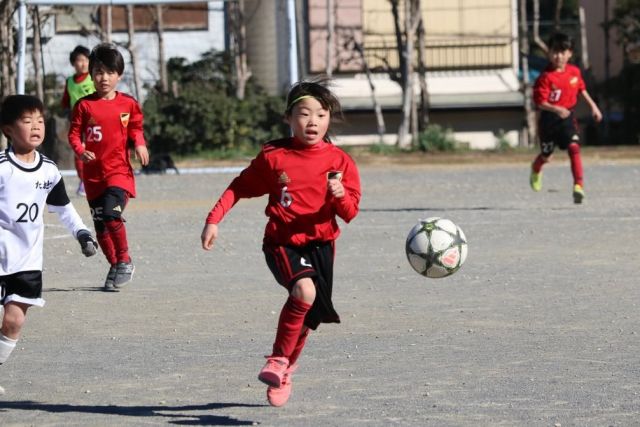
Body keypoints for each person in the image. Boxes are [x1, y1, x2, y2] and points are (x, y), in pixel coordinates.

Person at [200, 79, 361, 407]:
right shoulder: (275, 157)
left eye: (320, 114)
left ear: (329, 119)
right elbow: (239, 187)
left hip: (322, 245)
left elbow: (350, 213)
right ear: (289, 118)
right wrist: (214, 219)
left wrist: (341, 196)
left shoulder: (340, 161)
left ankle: (286, 368)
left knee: (309, 317)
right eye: (304, 114)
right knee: (304, 292)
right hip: (282, 242)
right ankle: (277, 359)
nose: (312, 121)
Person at [0, 95, 98, 394]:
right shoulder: (2, 167)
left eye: (40, 121)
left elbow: (64, 208)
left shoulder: (49, 170)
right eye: (26, 121)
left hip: (27, 261)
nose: (35, 127)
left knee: (14, 322)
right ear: (7, 129)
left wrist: (82, 233)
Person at [68, 43, 149, 291]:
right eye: (99, 72)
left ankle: (125, 260)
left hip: (119, 173)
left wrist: (140, 144)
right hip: (93, 177)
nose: (104, 78)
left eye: (110, 72)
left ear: (119, 75)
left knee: (112, 214)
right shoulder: (83, 106)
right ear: (91, 74)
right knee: (101, 227)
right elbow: (73, 135)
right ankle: (114, 265)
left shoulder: (128, 103)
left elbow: (136, 127)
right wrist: (81, 152)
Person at [529, 32, 602, 204]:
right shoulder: (545, 77)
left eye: (563, 52)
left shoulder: (574, 72)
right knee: (547, 155)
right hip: (548, 120)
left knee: (574, 147)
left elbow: (582, 89)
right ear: (549, 53)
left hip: (567, 117)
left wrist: (594, 107)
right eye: (555, 52)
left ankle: (578, 186)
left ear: (570, 53)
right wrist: (555, 108)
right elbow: (540, 102)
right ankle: (536, 167)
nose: (558, 56)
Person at [61, 45, 96, 197]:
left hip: (93, 121)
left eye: (85, 60)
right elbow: (65, 101)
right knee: (79, 151)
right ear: (73, 62)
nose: (82, 63)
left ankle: (95, 180)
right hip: (77, 121)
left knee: (95, 150)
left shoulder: (94, 78)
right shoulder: (69, 81)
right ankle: (84, 181)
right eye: (78, 60)